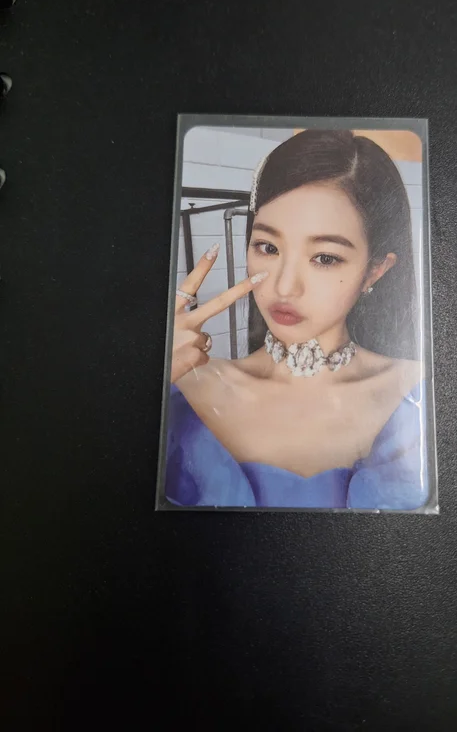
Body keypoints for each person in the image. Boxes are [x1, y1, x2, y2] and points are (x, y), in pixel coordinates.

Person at [165, 129, 428, 509]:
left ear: (375, 271)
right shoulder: (181, 388)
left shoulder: (421, 394)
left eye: (325, 257)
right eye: (267, 247)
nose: (284, 287)